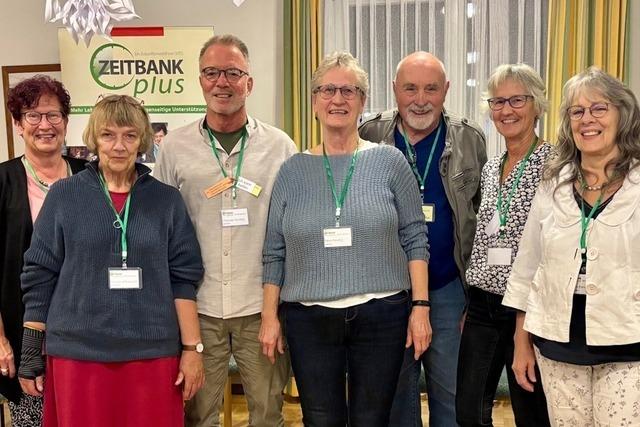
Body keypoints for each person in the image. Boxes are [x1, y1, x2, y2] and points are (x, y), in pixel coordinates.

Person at [260, 51, 431, 427]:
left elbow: (415, 237)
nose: (337, 99)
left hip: (382, 314)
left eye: (348, 91)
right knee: (321, 419)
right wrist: (269, 316)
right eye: (328, 90)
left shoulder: (390, 162)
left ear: (362, 101)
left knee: (373, 419)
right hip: (308, 319)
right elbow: (274, 251)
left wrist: (420, 307)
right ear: (314, 102)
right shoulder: (291, 171)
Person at [18, 94, 205, 427]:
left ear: (142, 141)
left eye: (129, 135)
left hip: (152, 355)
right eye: (108, 135)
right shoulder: (64, 195)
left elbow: (184, 279)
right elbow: (40, 274)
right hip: (78, 355)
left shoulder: (167, 201)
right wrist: (31, 349)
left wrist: (192, 350)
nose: (119, 146)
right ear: (94, 139)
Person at [154, 34, 297, 427]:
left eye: (233, 73)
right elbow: (160, 227)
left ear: (249, 82)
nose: (222, 82)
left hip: (260, 307)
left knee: (268, 414)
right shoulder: (174, 147)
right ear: (200, 80)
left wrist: (275, 312)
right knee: (198, 415)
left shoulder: (280, 147)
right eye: (212, 72)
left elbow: (290, 229)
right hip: (198, 307)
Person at [503, 67, 640, 426]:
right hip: (557, 345)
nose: (587, 119)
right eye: (577, 111)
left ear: (622, 114)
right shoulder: (554, 184)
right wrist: (521, 341)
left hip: (628, 345)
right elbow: (528, 267)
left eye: (599, 108)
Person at [359, 51, 487, 426]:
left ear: (446, 90)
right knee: (395, 400)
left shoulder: (469, 139)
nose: (420, 100)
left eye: (431, 89)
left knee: (451, 399)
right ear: (394, 89)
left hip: (447, 290)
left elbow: (482, 222)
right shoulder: (369, 135)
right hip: (388, 294)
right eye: (410, 88)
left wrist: (474, 298)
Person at [456, 63, 552, 427]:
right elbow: (484, 238)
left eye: (517, 100)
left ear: (537, 105)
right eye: (497, 102)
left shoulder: (555, 164)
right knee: (468, 411)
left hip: (527, 307)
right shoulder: (491, 167)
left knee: (531, 413)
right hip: (482, 304)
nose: (506, 110)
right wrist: (470, 301)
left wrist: (525, 324)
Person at [0, 75, 85, 426]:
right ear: (18, 124)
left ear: (65, 121)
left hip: (86, 336)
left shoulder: (90, 176)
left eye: (53, 115)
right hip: (24, 336)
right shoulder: (3, 181)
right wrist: (0, 340)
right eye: (33, 116)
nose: (44, 125)